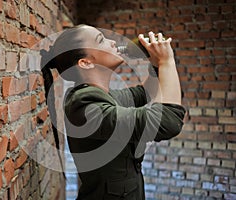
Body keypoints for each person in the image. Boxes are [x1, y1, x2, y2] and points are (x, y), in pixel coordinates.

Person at [40, 24, 185, 200]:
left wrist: (155, 66)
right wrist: (167, 62)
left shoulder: (101, 96)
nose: (113, 42)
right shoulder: (86, 107)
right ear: (86, 63)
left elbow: (143, 94)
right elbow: (168, 122)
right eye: (101, 40)